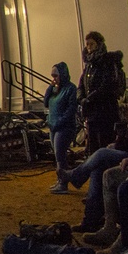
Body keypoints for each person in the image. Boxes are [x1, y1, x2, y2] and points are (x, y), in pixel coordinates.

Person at [64, 76, 128, 231]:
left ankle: (76, 175)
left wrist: (119, 145)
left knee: (102, 154)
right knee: (98, 168)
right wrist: (117, 142)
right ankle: (91, 220)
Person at [77, 31, 125, 155]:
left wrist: (89, 99)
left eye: (91, 44)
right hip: (92, 113)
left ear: (99, 44)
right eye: (87, 44)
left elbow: (107, 85)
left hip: (105, 112)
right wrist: (81, 98)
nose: (88, 47)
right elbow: (81, 84)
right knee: (93, 146)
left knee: (103, 143)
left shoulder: (106, 62)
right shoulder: (89, 66)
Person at [45, 62, 79, 193]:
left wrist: (59, 122)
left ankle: (63, 183)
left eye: (56, 76)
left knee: (60, 155)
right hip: (54, 127)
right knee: (57, 155)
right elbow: (46, 102)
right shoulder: (55, 89)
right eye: (52, 76)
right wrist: (50, 87)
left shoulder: (71, 89)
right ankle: (60, 180)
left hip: (64, 127)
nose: (54, 79)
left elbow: (71, 109)